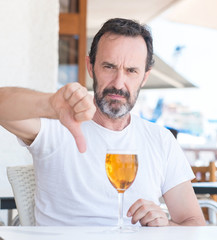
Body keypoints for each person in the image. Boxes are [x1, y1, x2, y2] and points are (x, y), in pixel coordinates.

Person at [0, 18, 205, 226]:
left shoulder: (160, 139)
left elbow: (194, 223)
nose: (118, 83)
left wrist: (166, 226)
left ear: (144, 77)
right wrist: (49, 104)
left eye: (131, 71)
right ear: (91, 67)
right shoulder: (58, 124)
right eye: (109, 67)